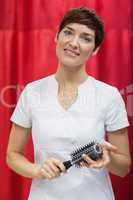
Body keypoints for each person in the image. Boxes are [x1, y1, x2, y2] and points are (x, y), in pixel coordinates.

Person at [6, 6, 131, 200]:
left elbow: (123, 167)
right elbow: (12, 154)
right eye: (68, 32)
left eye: (86, 38)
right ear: (57, 37)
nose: (74, 43)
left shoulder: (109, 95)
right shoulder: (32, 92)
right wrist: (37, 170)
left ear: (95, 49)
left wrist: (107, 159)